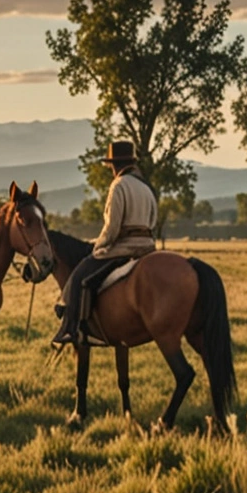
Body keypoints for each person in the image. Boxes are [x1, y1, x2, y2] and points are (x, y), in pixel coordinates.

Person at [52, 140, 158, 346]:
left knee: (81, 276)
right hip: (147, 246)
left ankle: (72, 329)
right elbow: (153, 220)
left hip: (123, 247)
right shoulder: (146, 188)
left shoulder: (118, 186)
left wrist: (97, 246)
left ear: (113, 165)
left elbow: (112, 228)